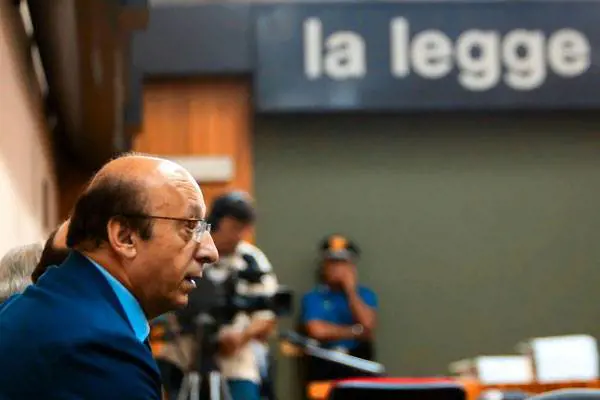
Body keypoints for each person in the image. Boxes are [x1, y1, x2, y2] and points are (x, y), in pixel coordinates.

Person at [0, 154, 219, 399]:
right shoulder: (101, 349)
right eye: (190, 226)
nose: (211, 252)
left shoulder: (32, 306)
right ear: (125, 237)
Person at [204, 191, 279, 400]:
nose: (239, 235)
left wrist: (241, 336)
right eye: (234, 227)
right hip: (189, 349)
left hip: (237, 352)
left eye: (243, 228)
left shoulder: (251, 259)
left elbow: (267, 313)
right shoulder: (195, 251)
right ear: (216, 223)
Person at [300, 234, 379, 382]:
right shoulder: (314, 296)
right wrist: (355, 331)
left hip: (358, 363)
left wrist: (350, 291)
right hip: (325, 363)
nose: (336, 269)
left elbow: (368, 325)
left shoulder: (365, 295)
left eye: (342, 263)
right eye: (332, 263)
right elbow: (317, 330)